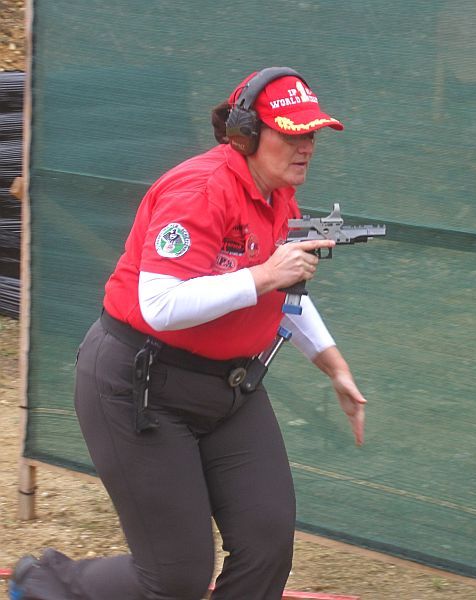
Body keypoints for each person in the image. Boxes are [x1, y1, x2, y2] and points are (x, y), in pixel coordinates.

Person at [9, 67, 367, 600]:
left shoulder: (278, 198)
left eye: (311, 134)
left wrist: (333, 365)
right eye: (291, 134)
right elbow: (160, 305)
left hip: (229, 389)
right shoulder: (199, 190)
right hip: (140, 385)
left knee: (267, 543)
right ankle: (43, 584)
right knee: (177, 576)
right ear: (245, 134)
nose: (306, 147)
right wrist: (264, 275)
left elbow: (282, 290)